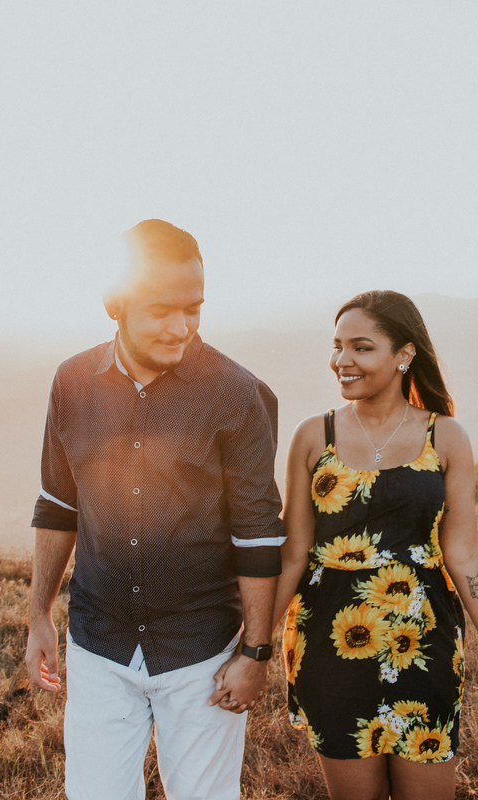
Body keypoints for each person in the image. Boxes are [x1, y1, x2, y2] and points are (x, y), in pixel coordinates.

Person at [24, 219, 284, 800]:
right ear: (116, 305)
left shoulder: (239, 395)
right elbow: (58, 503)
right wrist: (39, 613)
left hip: (202, 651)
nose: (182, 327)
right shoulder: (71, 382)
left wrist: (256, 652)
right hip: (97, 643)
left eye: (194, 308)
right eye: (162, 310)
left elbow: (259, 535)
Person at [273, 290, 478, 800]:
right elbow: (292, 553)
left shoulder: (446, 438)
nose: (342, 361)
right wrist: (252, 647)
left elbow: (465, 554)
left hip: (424, 650)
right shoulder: (313, 437)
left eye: (361, 347)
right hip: (329, 651)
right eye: (337, 346)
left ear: (404, 355)